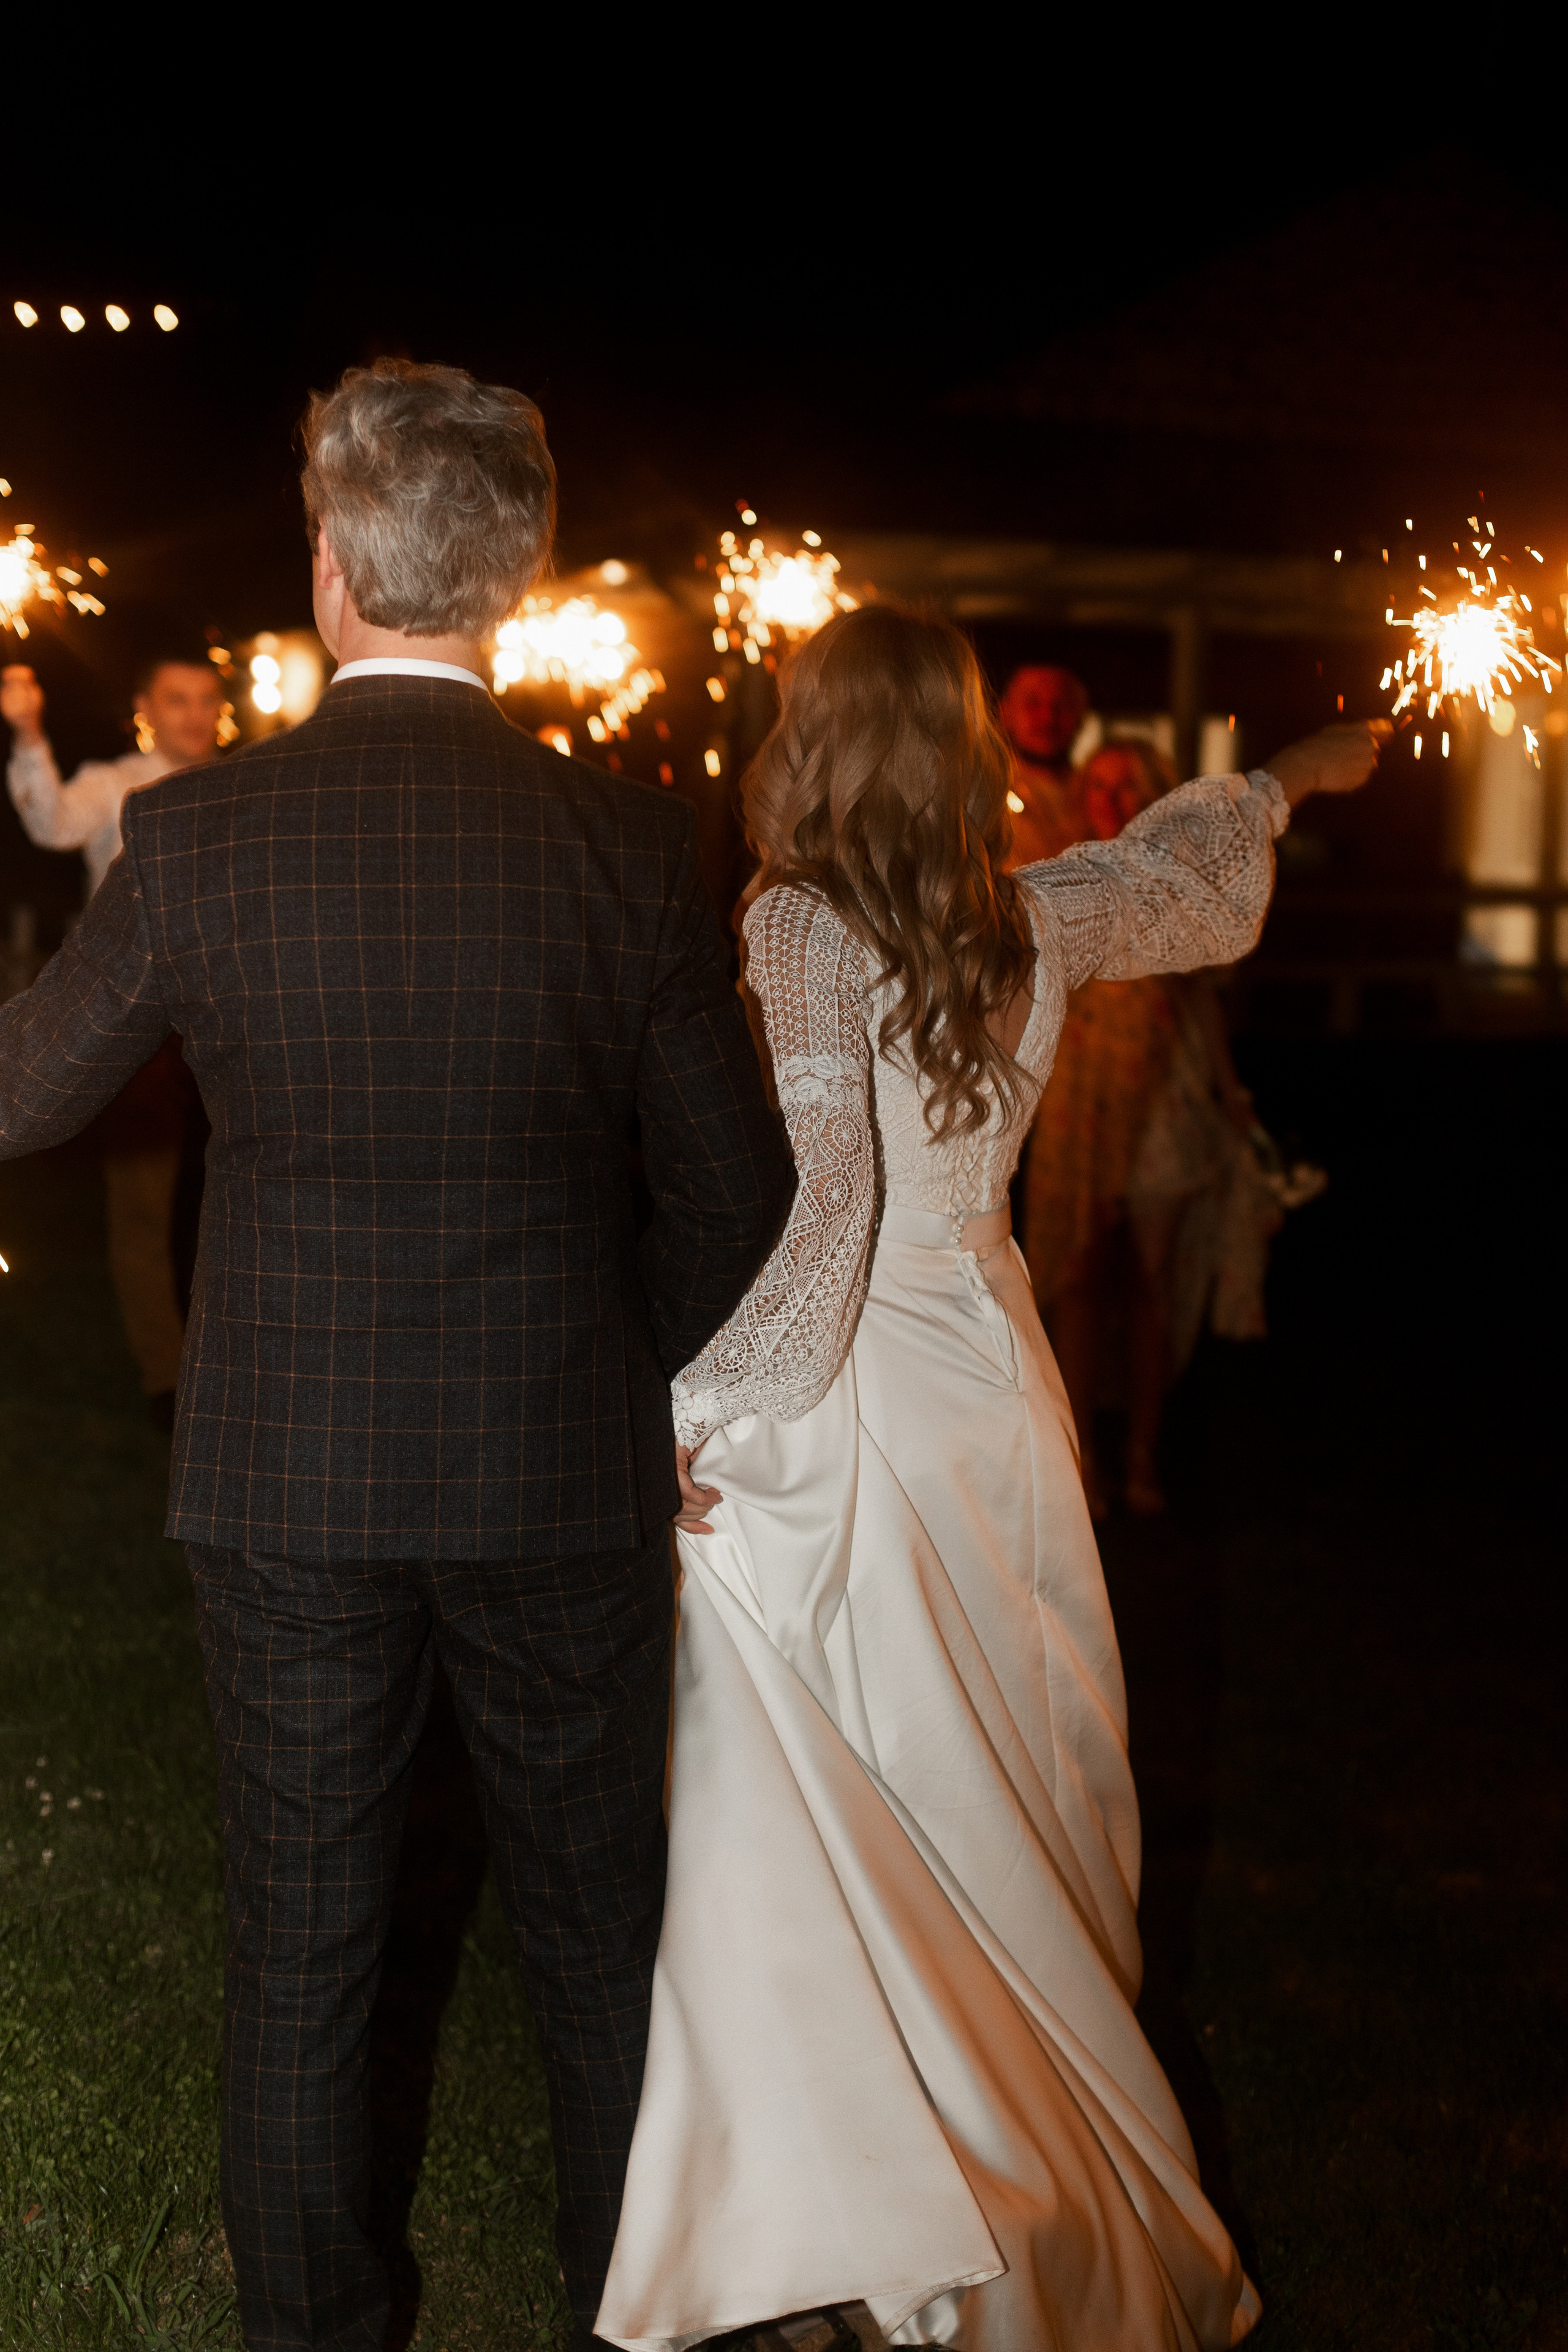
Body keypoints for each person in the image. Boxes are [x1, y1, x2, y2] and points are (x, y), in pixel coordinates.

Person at [0, 358, 793, 2352]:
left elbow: (22, 1097)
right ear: (507, 582)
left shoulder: (202, 840)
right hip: (555, 1471)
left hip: (290, 1474)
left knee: (301, 1958)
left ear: (338, 568)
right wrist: (620, 1373)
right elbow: (739, 1192)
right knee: (603, 1950)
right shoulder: (628, 847)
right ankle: (637, 2318)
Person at [594, 605, 1383, 2351]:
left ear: (812, 740)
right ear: (958, 746)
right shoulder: (1024, 909)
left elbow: (822, 1228)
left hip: (848, 1396)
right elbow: (1182, 878)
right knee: (1002, 1782)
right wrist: (1286, 780)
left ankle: (845, 2213)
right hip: (994, 1386)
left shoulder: (793, 922)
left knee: (823, 1796)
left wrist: (680, 1425)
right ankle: (982, 2185)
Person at [1, 653, 227, 1422]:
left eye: (206, 700)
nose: (193, 716)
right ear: (146, 708)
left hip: (233, 1021)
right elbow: (50, 821)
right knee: (142, 1202)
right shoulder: (113, 782)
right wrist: (29, 731)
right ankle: (166, 1378)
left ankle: (230, 1361)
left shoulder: (248, 783)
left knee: (223, 1197)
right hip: (143, 1028)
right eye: (177, 700)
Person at [1018, 737, 1187, 1515]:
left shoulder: (1177, 883)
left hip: (1154, 1098)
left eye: (1131, 789)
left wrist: (1225, 1095)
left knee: (1148, 1279)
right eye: (1101, 787)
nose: (1113, 802)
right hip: (1076, 1093)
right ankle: (1081, 1457)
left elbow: (1203, 1000)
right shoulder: (1062, 877)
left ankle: (1147, 1451)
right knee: (1078, 1276)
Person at [995, 660, 1088, 865]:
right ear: (1005, 712)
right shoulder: (984, 795)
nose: (1048, 717)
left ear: (1082, 716)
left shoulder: (1101, 796)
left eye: (1062, 704)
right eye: (1033, 703)